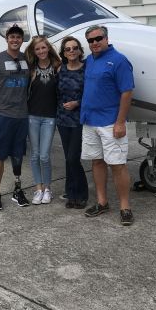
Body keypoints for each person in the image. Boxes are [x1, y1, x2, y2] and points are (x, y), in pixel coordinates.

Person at [80, 25, 135, 226]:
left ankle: (125, 207)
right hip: (89, 121)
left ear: (106, 38)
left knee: (118, 165)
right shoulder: (90, 61)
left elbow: (127, 92)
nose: (94, 43)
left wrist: (120, 122)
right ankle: (102, 202)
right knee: (96, 162)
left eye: (98, 38)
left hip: (111, 122)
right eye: (91, 40)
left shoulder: (119, 61)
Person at [0, 25, 31, 210]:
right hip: (1, 116)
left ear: (22, 40)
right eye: (12, 37)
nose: (15, 40)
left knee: (18, 155)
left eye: (18, 37)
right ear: (6, 39)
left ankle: (18, 190)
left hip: (22, 116)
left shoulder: (27, 59)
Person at [24, 35, 61, 205]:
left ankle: (47, 189)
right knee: (35, 155)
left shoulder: (57, 67)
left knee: (45, 156)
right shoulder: (30, 70)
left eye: (43, 48)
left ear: (48, 48)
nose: (41, 51)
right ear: (34, 51)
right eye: (37, 49)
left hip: (49, 117)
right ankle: (38, 189)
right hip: (33, 116)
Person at [56, 36, 88, 209]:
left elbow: (91, 93)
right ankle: (71, 193)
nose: (71, 51)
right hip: (62, 120)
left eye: (74, 48)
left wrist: (78, 103)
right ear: (64, 53)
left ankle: (81, 193)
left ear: (80, 50)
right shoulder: (60, 69)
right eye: (67, 49)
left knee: (73, 158)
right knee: (69, 158)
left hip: (78, 120)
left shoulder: (86, 69)